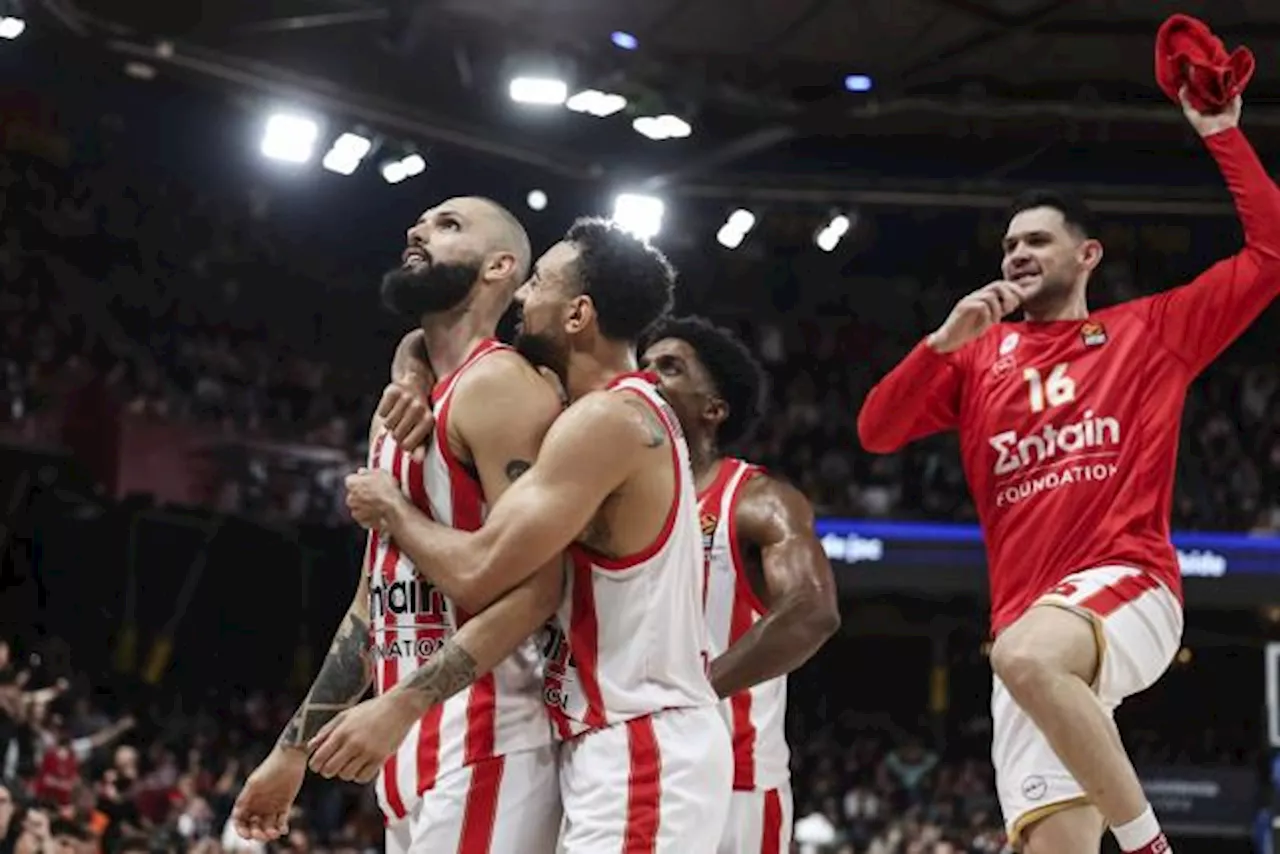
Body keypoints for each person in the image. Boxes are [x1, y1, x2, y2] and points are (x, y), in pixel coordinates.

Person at [857, 89, 1279, 854]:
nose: (1017, 254)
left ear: (1087, 255)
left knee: (1022, 654)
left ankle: (1152, 846)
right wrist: (943, 341)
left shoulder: (1148, 331)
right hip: (1030, 634)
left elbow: (1272, 253)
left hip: (1128, 584)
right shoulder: (976, 358)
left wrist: (1221, 133)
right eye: (1010, 244)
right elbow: (877, 430)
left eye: (1039, 241)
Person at [321, 218, 733, 852]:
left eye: (538, 283)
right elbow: (421, 341)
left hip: (641, 739)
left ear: (578, 315)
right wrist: (411, 372)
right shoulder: (606, 410)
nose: (521, 297)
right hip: (617, 738)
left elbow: (481, 572)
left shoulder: (608, 420)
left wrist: (392, 509)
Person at [232, 197, 568, 854]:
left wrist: (399, 705)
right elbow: (373, 605)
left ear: (500, 267)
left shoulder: (501, 386)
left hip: (493, 740)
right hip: (413, 749)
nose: (417, 229)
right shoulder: (399, 407)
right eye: (419, 221)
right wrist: (293, 750)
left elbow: (537, 590)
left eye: (448, 225)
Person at [640, 315, 841, 854]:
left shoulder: (755, 499)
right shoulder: (618, 500)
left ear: (714, 409)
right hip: (627, 770)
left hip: (734, 783)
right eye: (643, 367)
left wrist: (693, 691)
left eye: (670, 367)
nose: (648, 378)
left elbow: (811, 610)